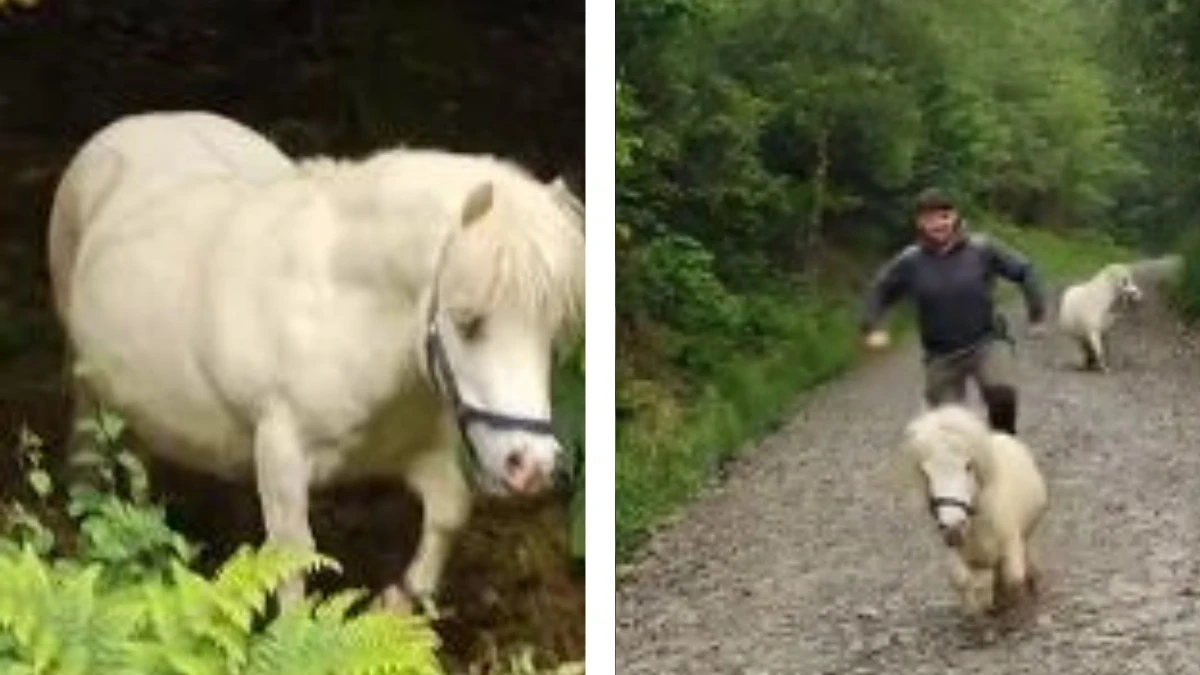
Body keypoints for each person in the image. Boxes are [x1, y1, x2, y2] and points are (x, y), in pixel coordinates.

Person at [860, 187, 1047, 435]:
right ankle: (960, 466)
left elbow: (1025, 271)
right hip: (940, 356)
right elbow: (879, 291)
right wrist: (872, 325)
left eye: (944, 216)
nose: (938, 224)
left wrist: (1036, 314)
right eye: (930, 218)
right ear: (919, 223)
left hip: (985, 342)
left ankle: (1004, 445)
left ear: (955, 217)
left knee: (1001, 391)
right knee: (948, 427)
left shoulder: (982, 249)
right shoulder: (910, 261)